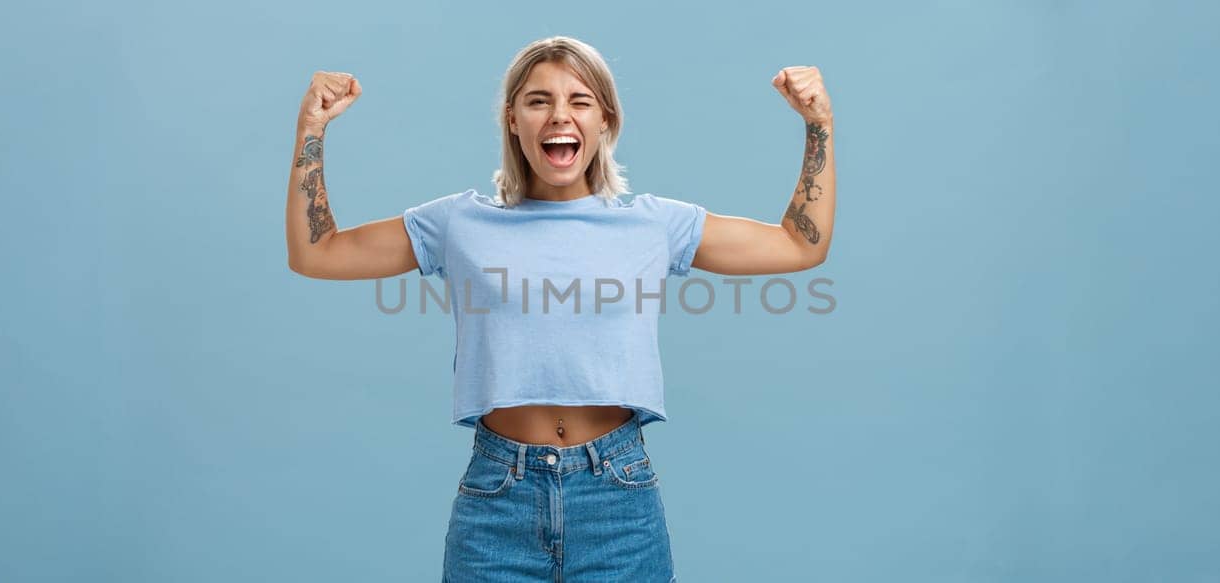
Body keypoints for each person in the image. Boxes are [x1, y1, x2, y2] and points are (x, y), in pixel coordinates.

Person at [285, 36, 834, 582]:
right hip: (497, 500)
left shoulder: (654, 225)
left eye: (580, 100)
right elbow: (317, 252)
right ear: (512, 118)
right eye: (538, 100)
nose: (559, 116)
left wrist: (818, 125)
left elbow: (799, 244)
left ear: (605, 121)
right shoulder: (457, 223)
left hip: (618, 500)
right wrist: (311, 130)